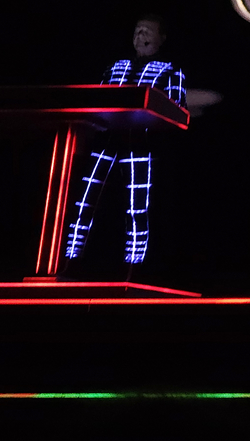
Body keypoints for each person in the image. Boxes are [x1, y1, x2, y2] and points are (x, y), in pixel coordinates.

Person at [64, 14, 184, 266]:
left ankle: (135, 262)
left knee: (137, 206)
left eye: (147, 31)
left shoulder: (170, 71)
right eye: (137, 30)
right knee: (84, 200)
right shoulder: (115, 67)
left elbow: (177, 111)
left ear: (161, 38)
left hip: (141, 144)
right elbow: (95, 100)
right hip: (106, 140)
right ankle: (71, 257)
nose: (140, 35)